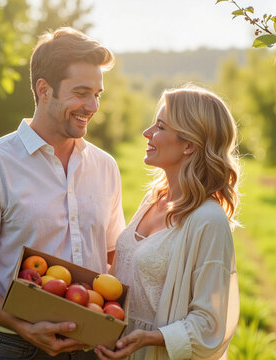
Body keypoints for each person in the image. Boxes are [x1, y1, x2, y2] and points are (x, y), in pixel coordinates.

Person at [0, 27, 125, 359]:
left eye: (98, 93)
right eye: (81, 92)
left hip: (92, 345)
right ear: (44, 89)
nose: (93, 105)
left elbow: (114, 254)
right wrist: (19, 323)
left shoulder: (105, 166)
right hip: (15, 346)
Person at [94, 85, 241, 360]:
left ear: (189, 144)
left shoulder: (208, 221)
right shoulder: (154, 198)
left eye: (160, 126)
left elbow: (211, 324)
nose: (146, 133)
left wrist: (149, 338)